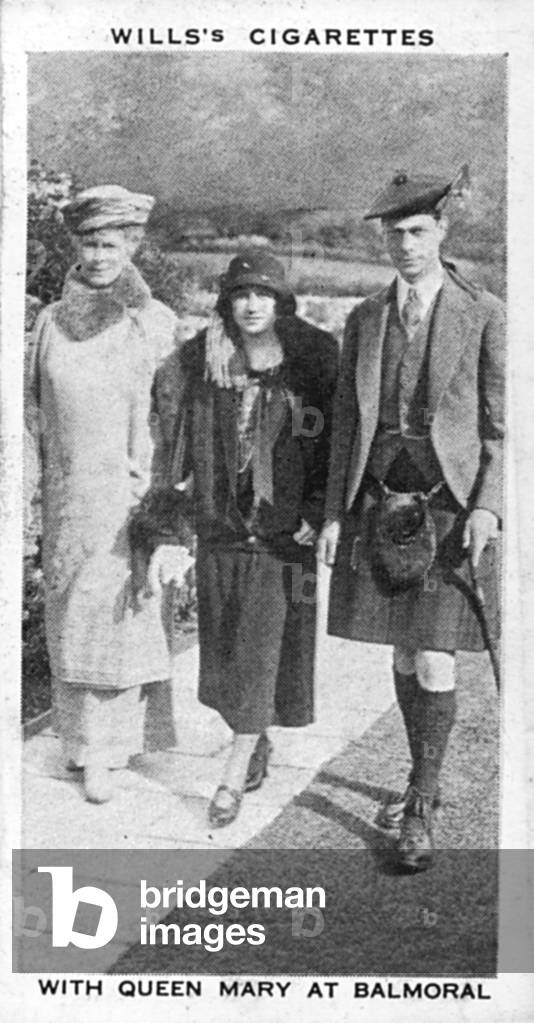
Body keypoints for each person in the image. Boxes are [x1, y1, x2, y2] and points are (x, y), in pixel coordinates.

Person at [318, 170, 504, 871]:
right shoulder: (364, 318)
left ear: (441, 232)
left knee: (433, 653)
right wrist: (336, 512)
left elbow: (501, 425)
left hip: (452, 506)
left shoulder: (484, 310)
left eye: (417, 231)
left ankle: (420, 800)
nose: (405, 245)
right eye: (393, 234)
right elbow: (343, 428)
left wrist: (488, 502)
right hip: (380, 504)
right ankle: (417, 772)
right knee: (401, 652)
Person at [148, 250, 338, 827]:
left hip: (282, 539)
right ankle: (252, 740)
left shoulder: (312, 364)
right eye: (240, 294)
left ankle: (229, 780)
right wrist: (169, 521)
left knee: (258, 653)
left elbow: (335, 444)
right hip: (221, 532)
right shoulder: (201, 362)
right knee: (230, 657)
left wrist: (319, 509)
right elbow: (168, 438)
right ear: (226, 302)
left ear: (282, 302)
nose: (252, 305)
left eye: (264, 295)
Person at [28, 185, 185, 804]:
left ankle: (108, 752)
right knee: (70, 616)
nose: (98, 257)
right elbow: (31, 413)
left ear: (133, 246)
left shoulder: (154, 321)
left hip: (126, 497)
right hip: (66, 495)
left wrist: (164, 508)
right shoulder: (49, 322)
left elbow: (171, 420)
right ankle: (77, 744)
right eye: (89, 244)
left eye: (110, 244)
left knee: (117, 615)